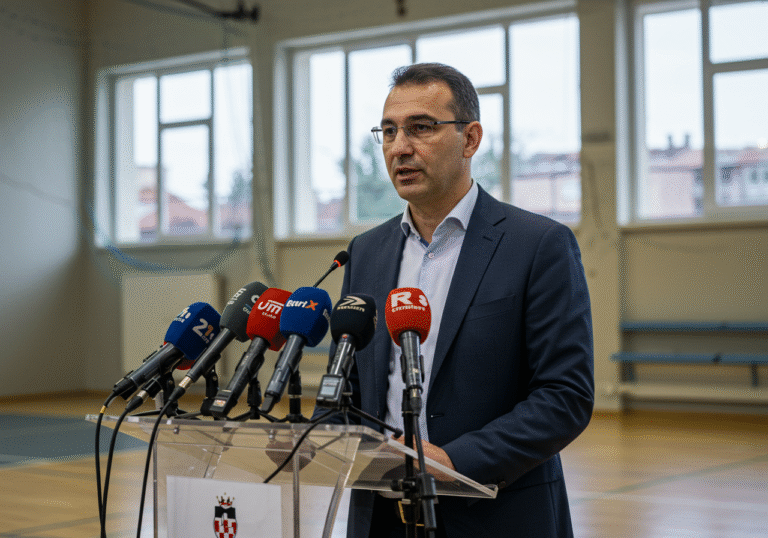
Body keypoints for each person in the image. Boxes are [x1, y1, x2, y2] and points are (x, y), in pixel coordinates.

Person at [316, 63, 594, 538]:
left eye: (420, 128)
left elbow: (564, 396)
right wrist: (319, 437)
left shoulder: (538, 244)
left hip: (496, 513)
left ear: (470, 139)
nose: (399, 146)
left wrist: (454, 460)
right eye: (388, 131)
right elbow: (349, 383)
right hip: (380, 513)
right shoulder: (366, 253)